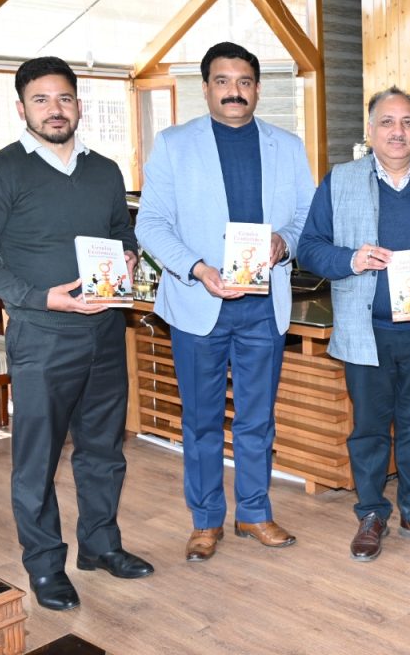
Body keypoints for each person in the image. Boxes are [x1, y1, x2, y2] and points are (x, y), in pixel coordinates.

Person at [0, 56, 154, 611]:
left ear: (78, 104)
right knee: (37, 460)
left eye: (64, 98)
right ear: (22, 109)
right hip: (42, 336)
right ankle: (44, 566)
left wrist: (128, 257)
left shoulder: (104, 170)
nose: (55, 109)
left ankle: (100, 546)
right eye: (41, 100)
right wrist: (41, 297)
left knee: (103, 450)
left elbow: (119, 231)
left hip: (105, 332)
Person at [136, 42, 314, 563]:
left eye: (244, 82)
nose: (233, 91)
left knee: (257, 419)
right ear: (206, 88)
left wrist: (285, 240)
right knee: (201, 421)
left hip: (263, 307)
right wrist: (197, 268)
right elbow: (151, 223)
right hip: (198, 305)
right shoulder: (173, 144)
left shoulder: (288, 146)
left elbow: (308, 216)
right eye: (222, 81)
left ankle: (254, 512)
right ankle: (206, 520)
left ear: (257, 89)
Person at [298, 87, 410, 561]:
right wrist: (350, 259)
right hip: (366, 331)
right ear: (370, 130)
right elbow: (309, 247)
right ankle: (371, 514)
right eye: (388, 122)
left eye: (407, 122)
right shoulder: (340, 181)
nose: (398, 132)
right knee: (369, 430)